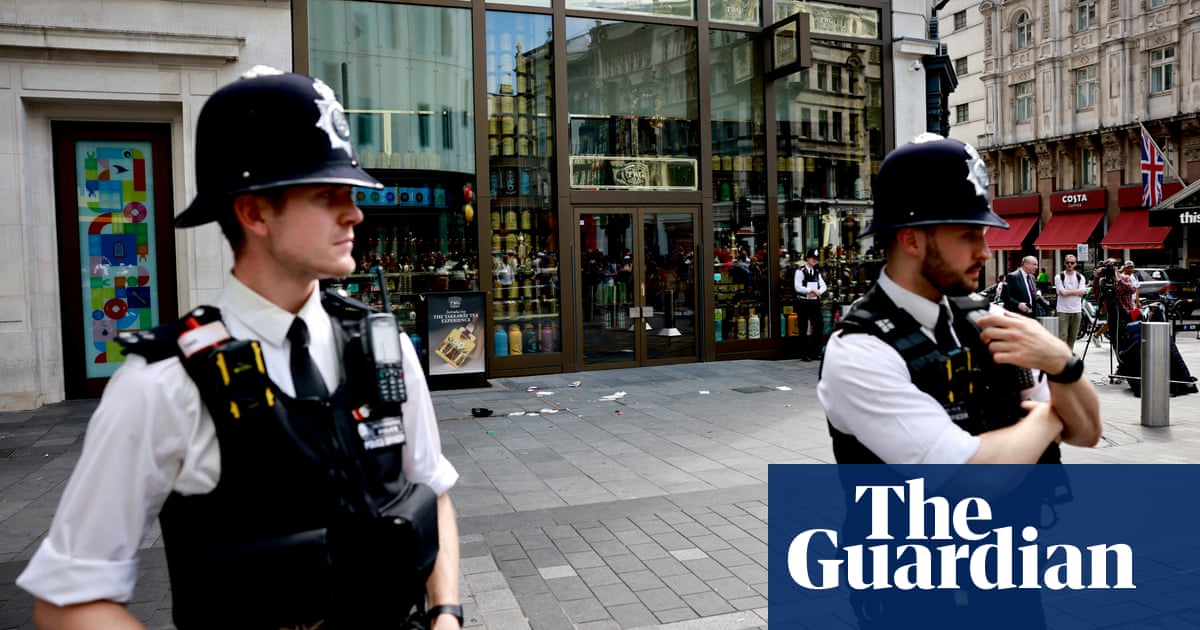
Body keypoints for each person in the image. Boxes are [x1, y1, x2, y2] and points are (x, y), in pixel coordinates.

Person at [18, 67, 463, 630]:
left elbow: (433, 490)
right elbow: (67, 598)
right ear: (253, 212)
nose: (355, 213)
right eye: (328, 196)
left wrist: (447, 615)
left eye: (351, 194)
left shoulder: (385, 347)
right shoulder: (163, 383)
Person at [817, 133, 1101, 628]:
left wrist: (1063, 362)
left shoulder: (984, 317)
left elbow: (1088, 432)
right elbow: (971, 477)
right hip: (917, 602)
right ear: (912, 238)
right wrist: (1047, 418)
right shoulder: (859, 350)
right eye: (969, 234)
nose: (987, 251)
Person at [793, 248, 827, 361]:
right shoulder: (800, 271)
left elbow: (823, 285)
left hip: (814, 303)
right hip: (803, 302)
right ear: (807, 258)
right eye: (813, 258)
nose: (814, 261)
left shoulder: (817, 272)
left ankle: (815, 352)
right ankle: (804, 353)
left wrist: (819, 292)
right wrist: (810, 290)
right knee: (803, 328)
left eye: (816, 259)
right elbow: (797, 287)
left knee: (819, 326)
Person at [1054, 254, 1087, 346]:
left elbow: (1082, 292)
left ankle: (1069, 358)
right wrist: (1077, 292)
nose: (1070, 264)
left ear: (1075, 264)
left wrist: (1067, 292)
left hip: (1076, 310)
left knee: (1073, 337)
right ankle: (1062, 358)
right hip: (1062, 310)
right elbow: (1062, 293)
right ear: (1064, 263)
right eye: (1067, 262)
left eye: (1072, 263)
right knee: (1062, 336)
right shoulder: (1059, 276)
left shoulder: (1080, 277)